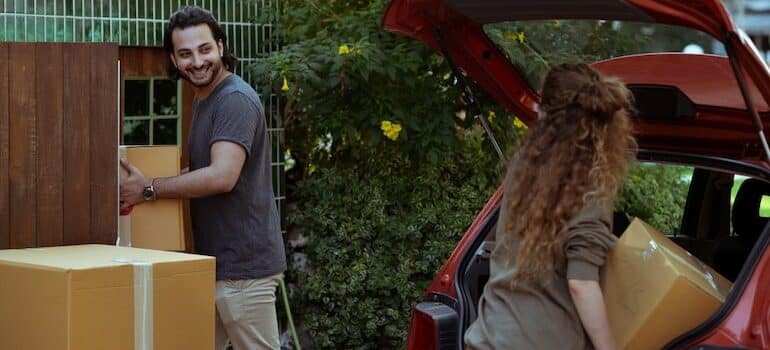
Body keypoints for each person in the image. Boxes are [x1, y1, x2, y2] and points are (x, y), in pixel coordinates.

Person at [119, 5, 286, 350]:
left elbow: (222, 176)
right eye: (185, 53)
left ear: (221, 47)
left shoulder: (234, 100)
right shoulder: (205, 101)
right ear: (174, 59)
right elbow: (203, 170)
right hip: (217, 266)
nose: (196, 61)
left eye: (204, 49)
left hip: (243, 272)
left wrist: (149, 189)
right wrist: (148, 183)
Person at [464, 63, 637, 350]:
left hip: (490, 335)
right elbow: (581, 284)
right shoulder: (589, 185)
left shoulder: (524, 166)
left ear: (545, 113)